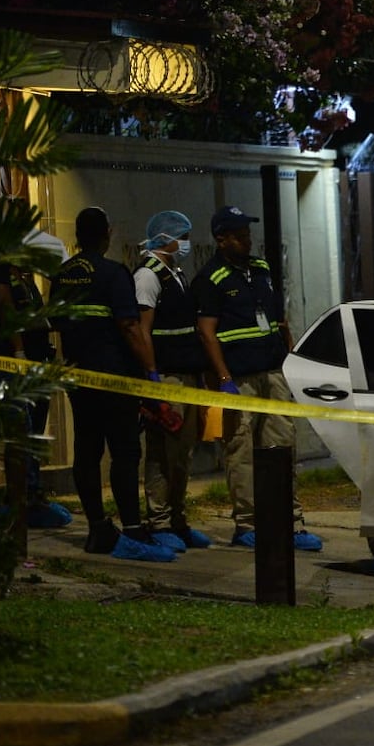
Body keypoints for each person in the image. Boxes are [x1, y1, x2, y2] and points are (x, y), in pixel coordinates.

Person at [51, 206, 176, 562]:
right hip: (116, 378)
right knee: (124, 452)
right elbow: (130, 327)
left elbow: (59, 326)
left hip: (78, 377)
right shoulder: (112, 273)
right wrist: (150, 371)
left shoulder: (62, 275)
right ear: (106, 233)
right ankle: (133, 531)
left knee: (87, 450)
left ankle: (97, 527)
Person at [0, 200, 71, 528]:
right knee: (17, 430)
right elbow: (4, 304)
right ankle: (23, 501)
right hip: (3, 361)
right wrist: (19, 350)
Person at [191, 205, 298, 548]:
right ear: (221, 240)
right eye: (239, 235)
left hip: (273, 372)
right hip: (240, 378)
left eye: (248, 234)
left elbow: (280, 322)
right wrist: (223, 379)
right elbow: (206, 333)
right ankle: (248, 524)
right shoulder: (211, 279)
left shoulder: (261, 269)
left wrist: (292, 359)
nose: (246, 240)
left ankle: (289, 521)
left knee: (282, 445)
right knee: (242, 451)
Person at [133, 210, 212, 550]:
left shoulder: (175, 273)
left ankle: (178, 519)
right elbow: (142, 330)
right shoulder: (148, 276)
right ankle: (160, 520)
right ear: (167, 238)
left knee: (183, 454)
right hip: (168, 377)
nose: (185, 243)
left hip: (188, 374)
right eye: (182, 236)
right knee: (163, 453)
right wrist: (152, 378)